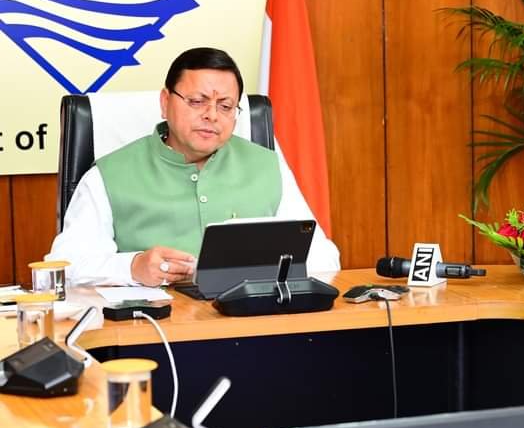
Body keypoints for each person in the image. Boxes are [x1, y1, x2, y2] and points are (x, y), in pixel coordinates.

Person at [48, 47, 340, 286]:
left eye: (225, 106)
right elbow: (64, 266)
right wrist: (132, 267)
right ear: (165, 102)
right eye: (198, 101)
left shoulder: (267, 165)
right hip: (154, 328)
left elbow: (323, 258)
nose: (212, 115)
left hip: (254, 321)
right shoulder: (109, 174)